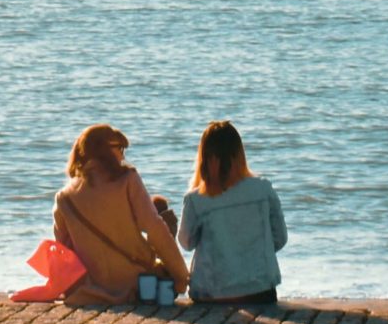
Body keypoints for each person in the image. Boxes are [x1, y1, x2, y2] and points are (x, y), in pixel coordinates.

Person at [52, 123, 187, 307]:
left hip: (89, 288)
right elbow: (155, 229)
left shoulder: (64, 197)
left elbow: (64, 248)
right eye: (120, 148)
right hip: (136, 284)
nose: (123, 156)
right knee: (162, 213)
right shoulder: (127, 180)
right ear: (104, 150)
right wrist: (181, 276)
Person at [177, 119, 286, 305]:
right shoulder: (263, 189)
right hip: (260, 288)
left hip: (212, 292)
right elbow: (280, 238)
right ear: (239, 154)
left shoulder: (196, 199)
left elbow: (186, 243)